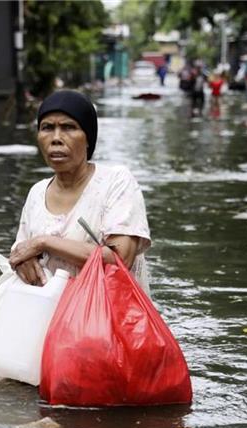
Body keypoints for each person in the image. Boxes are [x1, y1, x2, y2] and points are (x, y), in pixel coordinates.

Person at [8, 89, 152, 295]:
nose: (56, 138)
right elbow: (21, 252)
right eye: (47, 128)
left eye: (68, 127)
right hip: (53, 316)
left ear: (88, 139)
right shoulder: (37, 193)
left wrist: (44, 242)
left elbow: (120, 260)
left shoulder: (116, 182)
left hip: (107, 316)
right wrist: (23, 262)